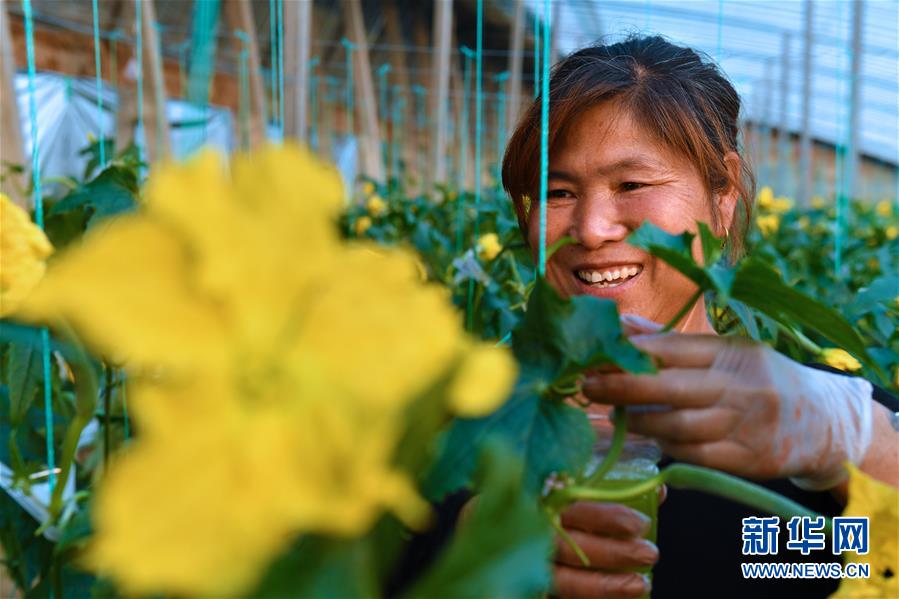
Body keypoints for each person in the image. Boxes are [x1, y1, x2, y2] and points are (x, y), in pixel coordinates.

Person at [495, 35, 899, 599]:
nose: (590, 229)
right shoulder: (464, 422)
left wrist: (862, 444)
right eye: (557, 191)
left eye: (631, 185)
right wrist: (476, 559)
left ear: (724, 192)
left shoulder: (823, 432)